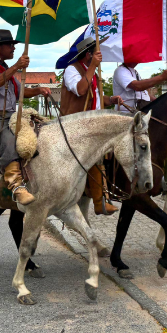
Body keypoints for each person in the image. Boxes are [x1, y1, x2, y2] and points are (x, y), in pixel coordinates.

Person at [0, 29, 51, 206]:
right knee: (8, 140)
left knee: (39, 133)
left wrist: (39, 90)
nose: (13, 48)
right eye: (10, 45)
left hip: (10, 116)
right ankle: (16, 185)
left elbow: (19, 92)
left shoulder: (4, 69)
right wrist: (16, 66)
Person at [59, 36, 125, 215]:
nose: (100, 54)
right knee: (96, 154)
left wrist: (110, 100)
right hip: (74, 124)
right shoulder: (71, 70)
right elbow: (81, 90)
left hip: (92, 123)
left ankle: (112, 190)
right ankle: (99, 201)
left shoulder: (91, 73)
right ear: (88, 54)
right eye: (96, 52)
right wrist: (94, 67)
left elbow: (94, 99)